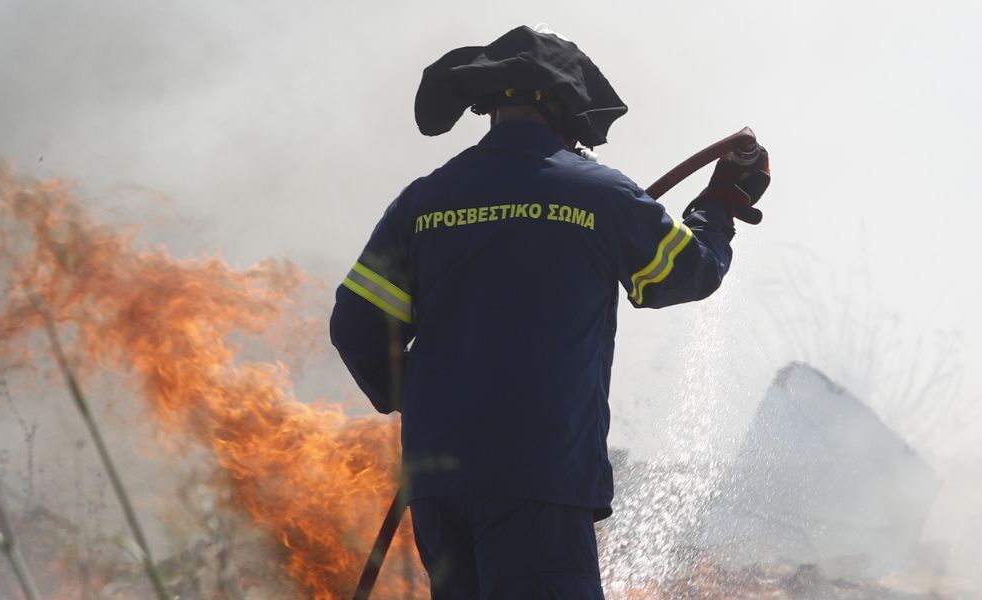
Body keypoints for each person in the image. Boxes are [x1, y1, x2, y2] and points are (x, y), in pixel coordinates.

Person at [330, 25, 770, 599]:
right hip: (539, 475)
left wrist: (423, 396)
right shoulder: (600, 195)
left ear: (491, 107)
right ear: (567, 107)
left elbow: (356, 324)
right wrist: (719, 204)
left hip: (439, 481)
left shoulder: (425, 200)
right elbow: (690, 272)